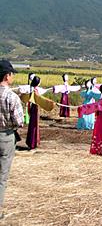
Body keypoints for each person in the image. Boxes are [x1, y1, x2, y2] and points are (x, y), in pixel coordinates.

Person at [0, 60, 24, 218]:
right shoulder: (12, 97)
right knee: (2, 174)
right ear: (7, 76)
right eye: (12, 74)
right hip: (5, 136)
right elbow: (19, 122)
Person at [20, 76, 55, 149]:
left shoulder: (32, 89)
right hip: (35, 108)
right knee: (34, 125)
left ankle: (32, 142)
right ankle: (33, 142)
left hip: (33, 108)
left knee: (33, 125)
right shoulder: (35, 91)